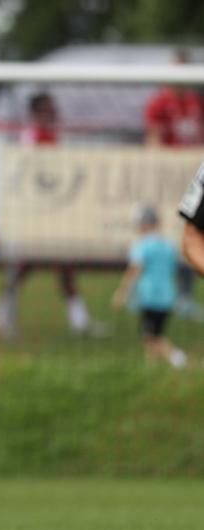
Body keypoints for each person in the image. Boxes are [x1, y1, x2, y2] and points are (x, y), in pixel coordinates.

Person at [0, 91, 101, 340]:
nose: (56, 113)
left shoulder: (49, 135)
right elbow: (31, 174)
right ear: (39, 112)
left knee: (63, 264)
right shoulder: (32, 137)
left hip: (51, 211)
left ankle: (79, 321)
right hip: (35, 213)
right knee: (25, 264)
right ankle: (2, 314)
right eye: (51, 108)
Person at [146, 47, 204, 320]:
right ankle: (162, 296)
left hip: (194, 177)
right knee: (174, 236)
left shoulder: (196, 101)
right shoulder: (158, 103)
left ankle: (185, 296)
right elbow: (153, 141)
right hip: (171, 181)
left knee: (192, 232)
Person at [112, 207, 186, 368]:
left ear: (144, 224)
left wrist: (122, 292)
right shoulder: (168, 245)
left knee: (150, 336)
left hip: (150, 296)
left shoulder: (142, 246)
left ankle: (178, 358)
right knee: (155, 333)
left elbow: (134, 271)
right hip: (167, 296)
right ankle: (151, 367)